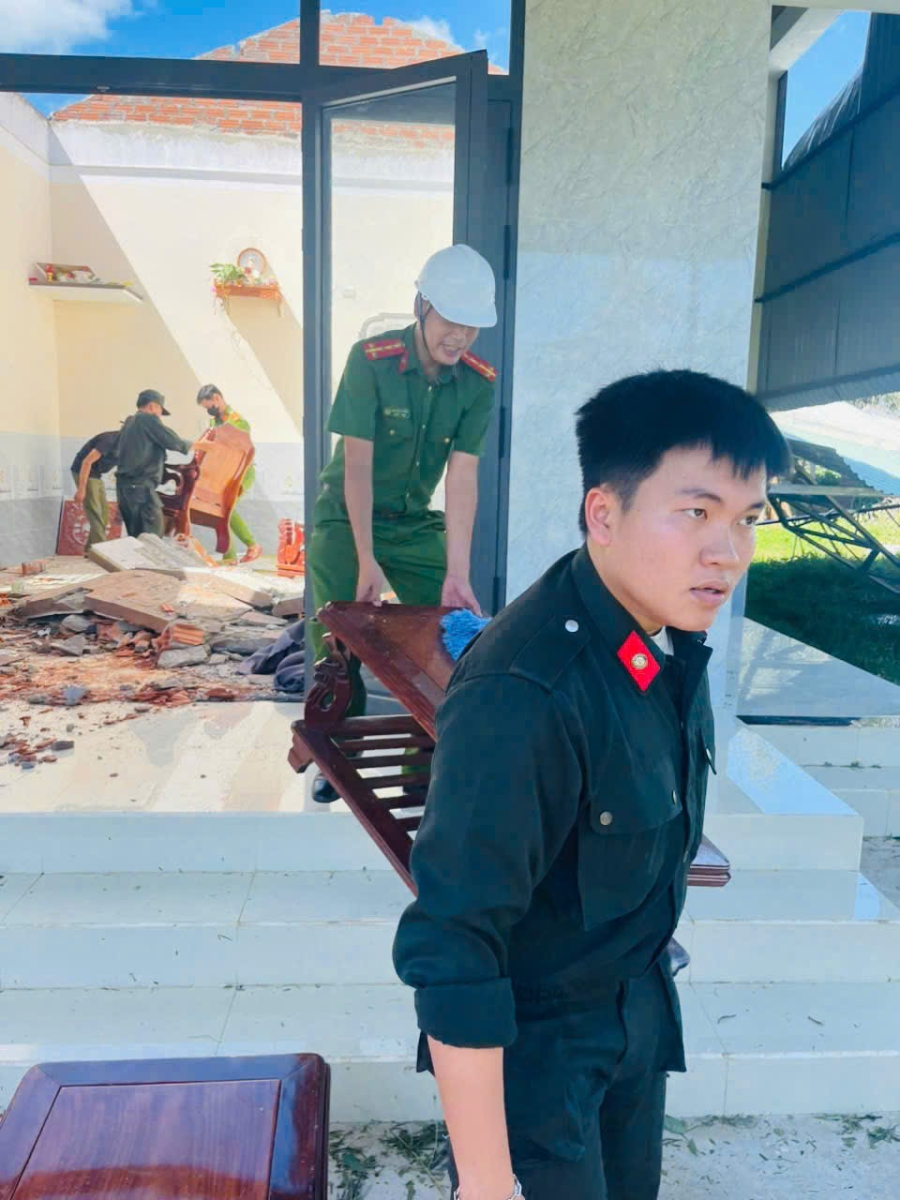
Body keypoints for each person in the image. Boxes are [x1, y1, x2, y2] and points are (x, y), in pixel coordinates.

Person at [393, 370, 791, 1200]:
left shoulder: (658, 636)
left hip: (633, 1014)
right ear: (603, 514)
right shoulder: (524, 689)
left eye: (747, 519)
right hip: (538, 1059)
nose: (728, 552)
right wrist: (487, 1183)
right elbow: (456, 943)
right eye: (697, 512)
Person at [307, 243, 498, 803]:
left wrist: (457, 571)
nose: (459, 337)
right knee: (337, 631)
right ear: (422, 306)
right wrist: (366, 560)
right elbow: (357, 468)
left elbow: (462, 479)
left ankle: (427, 756)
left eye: (471, 326)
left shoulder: (477, 383)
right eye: (450, 320)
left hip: (413, 523)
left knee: (450, 627)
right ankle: (337, 751)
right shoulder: (370, 361)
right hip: (347, 516)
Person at [115, 389, 199, 538]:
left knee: (137, 539)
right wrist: (202, 445)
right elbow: (174, 442)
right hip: (140, 488)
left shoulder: (130, 423)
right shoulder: (147, 419)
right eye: (160, 410)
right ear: (153, 406)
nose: (159, 415)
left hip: (124, 490)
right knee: (153, 538)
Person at [196, 384, 261, 564]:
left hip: (240, 475)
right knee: (222, 513)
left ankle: (252, 545)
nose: (208, 411)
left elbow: (236, 451)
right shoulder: (214, 423)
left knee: (227, 510)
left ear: (217, 398)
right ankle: (231, 556)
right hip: (222, 477)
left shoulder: (238, 422)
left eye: (209, 406)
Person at [70, 429, 119, 551]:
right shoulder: (109, 439)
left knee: (104, 514)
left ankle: (89, 550)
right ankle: (102, 551)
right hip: (83, 471)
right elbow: (87, 462)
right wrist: (81, 489)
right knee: (95, 513)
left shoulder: (130, 445)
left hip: (96, 475)